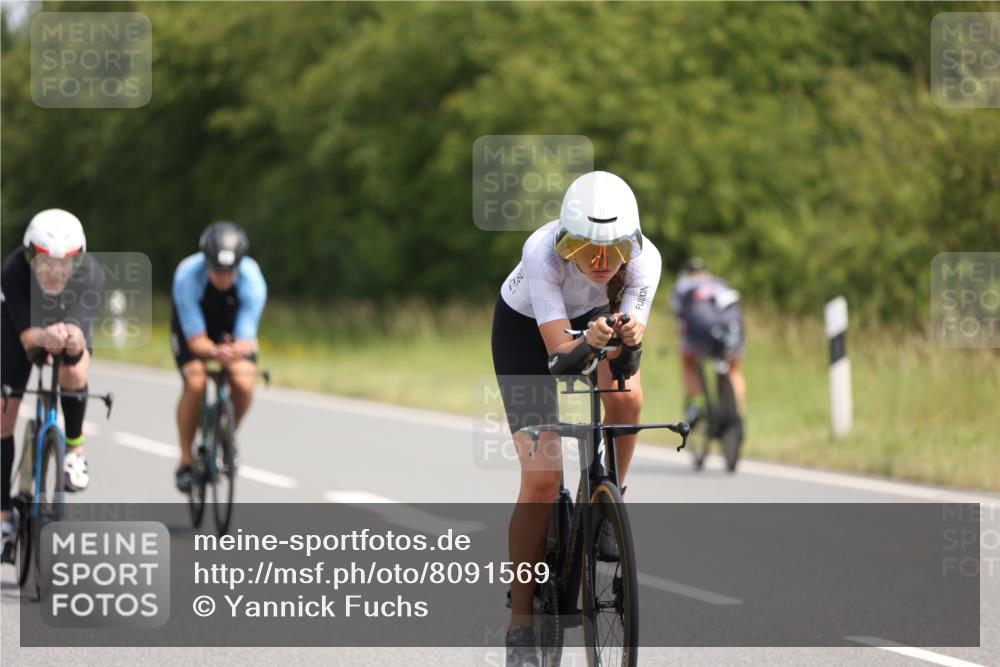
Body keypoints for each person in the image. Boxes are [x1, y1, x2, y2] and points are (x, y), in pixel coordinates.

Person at [492, 171, 661, 666]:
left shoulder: (645, 261)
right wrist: (589, 343)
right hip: (531, 331)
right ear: (566, 245)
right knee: (543, 479)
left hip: (596, 323)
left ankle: (610, 501)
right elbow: (560, 356)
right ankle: (520, 626)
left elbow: (627, 365)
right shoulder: (540, 252)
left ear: (632, 245)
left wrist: (628, 342)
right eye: (588, 252)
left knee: (627, 401)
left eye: (614, 253)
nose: (602, 264)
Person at [2, 209, 104, 562]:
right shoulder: (14, 270)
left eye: (64, 263)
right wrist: (44, 336)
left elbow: (79, 329)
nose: (55, 271)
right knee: (3, 412)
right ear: (31, 256)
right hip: (21, 328)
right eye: (45, 261)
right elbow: (28, 338)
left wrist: (69, 339)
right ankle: (3, 517)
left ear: (78, 261)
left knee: (75, 366)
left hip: (65, 326)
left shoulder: (90, 274)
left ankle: (74, 450)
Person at [170, 221, 266, 492]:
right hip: (195, 328)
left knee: (244, 381)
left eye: (230, 272)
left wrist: (235, 349)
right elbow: (196, 341)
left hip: (231, 326)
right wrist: (213, 351)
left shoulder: (253, 280)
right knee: (196, 382)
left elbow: (246, 340)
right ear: (206, 261)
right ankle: (186, 461)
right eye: (217, 271)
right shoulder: (188, 277)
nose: (224, 277)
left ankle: (226, 432)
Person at [669, 257, 746, 427]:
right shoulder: (719, 283)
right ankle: (737, 412)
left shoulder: (682, 285)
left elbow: (681, 320)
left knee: (688, 362)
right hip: (733, 327)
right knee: (733, 368)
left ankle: (696, 405)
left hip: (701, 331)